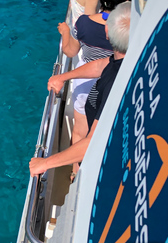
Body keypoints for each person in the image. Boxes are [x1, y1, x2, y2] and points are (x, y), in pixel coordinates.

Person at [30, 1, 131, 177]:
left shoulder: (114, 82)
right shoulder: (120, 60)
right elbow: (99, 66)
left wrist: (44, 163)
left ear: (107, 34)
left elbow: (93, 141)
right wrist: (62, 77)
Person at [57, 0, 127, 179]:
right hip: (110, 78)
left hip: (84, 80)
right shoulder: (128, 27)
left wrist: (65, 32)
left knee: (80, 130)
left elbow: (70, 51)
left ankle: (75, 171)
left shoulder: (83, 22)